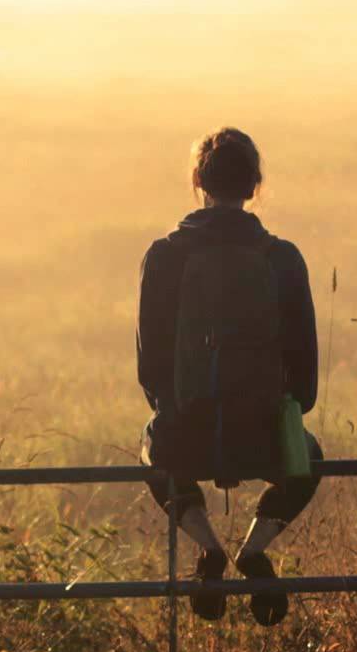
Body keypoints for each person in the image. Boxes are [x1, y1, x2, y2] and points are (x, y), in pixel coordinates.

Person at [137, 126, 322, 626]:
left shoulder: (165, 256)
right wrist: (277, 410)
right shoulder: (282, 258)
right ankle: (254, 549)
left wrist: (179, 413)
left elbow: (149, 367)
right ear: (255, 185)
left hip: (189, 439)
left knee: (152, 451)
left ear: (198, 181)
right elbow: (305, 377)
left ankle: (209, 548)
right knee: (311, 458)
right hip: (262, 438)